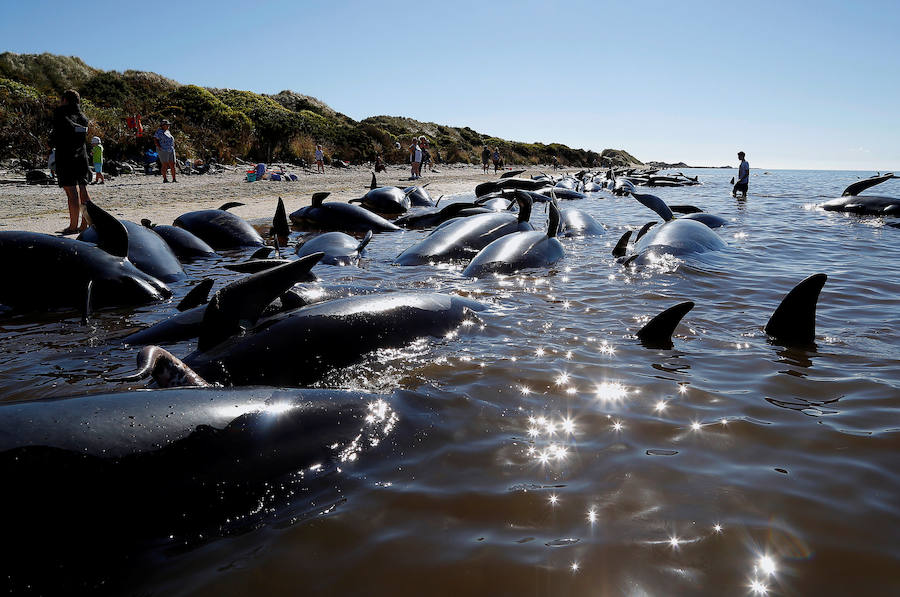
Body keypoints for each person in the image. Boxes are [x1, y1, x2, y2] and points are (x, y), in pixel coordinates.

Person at [51, 89, 92, 234]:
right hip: (82, 155)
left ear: (65, 100)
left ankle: (73, 226)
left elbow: (56, 134)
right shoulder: (82, 117)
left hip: (66, 155)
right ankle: (84, 225)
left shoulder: (61, 113)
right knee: (83, 188)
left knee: (71, 191)